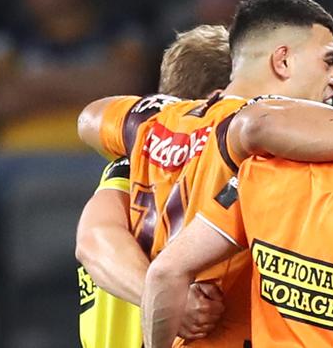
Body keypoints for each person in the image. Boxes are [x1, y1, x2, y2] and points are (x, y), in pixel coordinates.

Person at [78, 0, 333, 347]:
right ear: (283, 61)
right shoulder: (254, 148)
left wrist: (160, 295)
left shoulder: (149, 130)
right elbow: (259, 121)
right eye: (327, 60)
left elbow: (90, 120)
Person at [75, 24, 232, 348]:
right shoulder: (135, 165)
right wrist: (167, 298)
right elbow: (92, 240)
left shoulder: (145, 159)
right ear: (219, 97)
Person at [0, 0, 147, 152]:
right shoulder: (4, 42)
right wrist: (88, 84)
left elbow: (127, 90)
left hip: (100, 151)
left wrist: (33, 85)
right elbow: (1, 103)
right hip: (20, 155)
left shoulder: (122, 34)